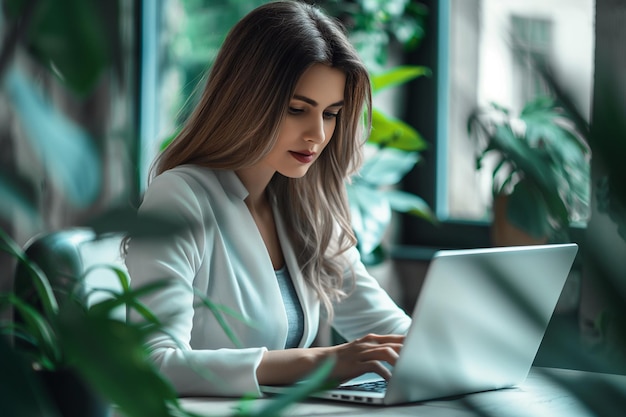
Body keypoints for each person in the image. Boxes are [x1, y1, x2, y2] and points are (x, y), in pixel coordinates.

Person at [125, 0, 411, 398]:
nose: (317, 135)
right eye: (298, 109)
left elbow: (393, 333)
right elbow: (154, 362)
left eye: (331, 114)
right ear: (248, 100)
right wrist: (321, 362)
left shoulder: (305, 206)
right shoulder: (181, 198)